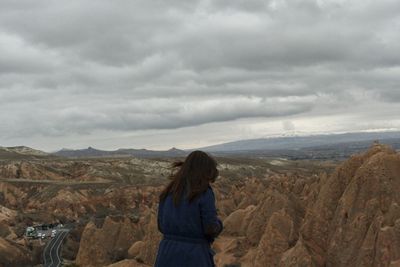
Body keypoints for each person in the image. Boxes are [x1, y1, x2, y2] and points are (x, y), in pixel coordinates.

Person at [154, 150, 223, 267]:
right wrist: (219, 225)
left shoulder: (168, 192)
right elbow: (210, 228)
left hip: (166, 254)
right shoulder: (204, 192)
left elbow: (161, 225)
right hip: (194, 256)